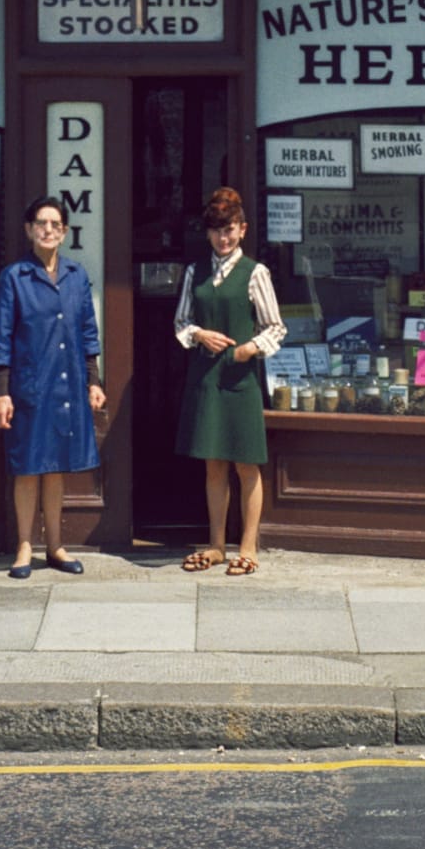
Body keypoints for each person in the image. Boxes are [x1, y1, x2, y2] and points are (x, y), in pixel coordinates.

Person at [0, 195, 105, 580]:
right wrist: (2, 391)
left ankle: (54, 545)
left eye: (56, 224)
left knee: (56, 467)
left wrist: (94, 380)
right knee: (28, 467)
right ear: (28, 230)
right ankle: (25, 545)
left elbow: (88, 330)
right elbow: (1, 335)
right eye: (41, 223)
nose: (48, 230)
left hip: (68, 384)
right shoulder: (15, 277)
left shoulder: (76, 274)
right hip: (29, 385)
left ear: (65, 231)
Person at [173, 186, 285, 577]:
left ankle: (249, 547)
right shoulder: (194, 272)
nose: (224, 237)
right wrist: (199, 335)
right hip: (206, 378)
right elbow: (181, 322)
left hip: (240, 379)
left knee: (246, 465)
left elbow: (275, 327)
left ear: (243, 230)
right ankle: (217, 544)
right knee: (214, 465)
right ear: (208, 233)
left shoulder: (256, 273)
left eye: (231, 229)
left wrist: (249, 349)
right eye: (217, 230)